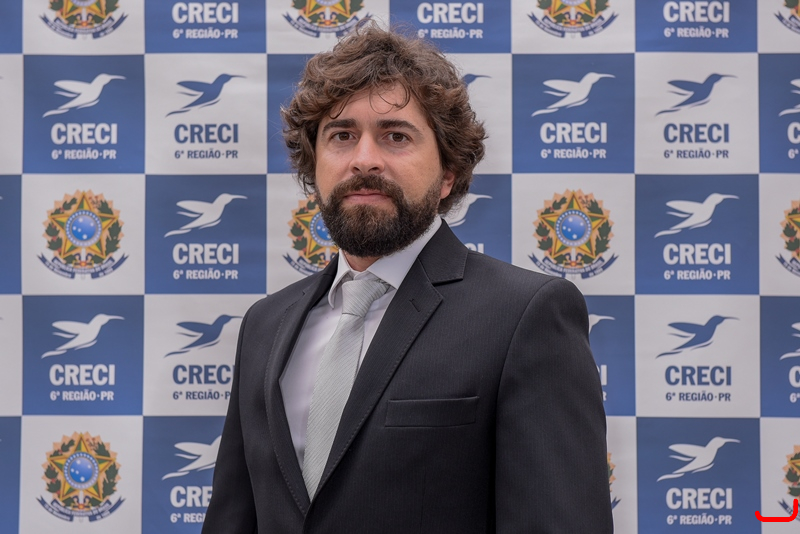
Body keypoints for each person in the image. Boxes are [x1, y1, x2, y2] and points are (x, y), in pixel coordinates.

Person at [203, 22, 612, 533]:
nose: (364, 160)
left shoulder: (525, 317)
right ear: (314, 165)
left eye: (395, 136)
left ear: (447, 174)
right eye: (341, 136)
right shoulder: (265, 325)